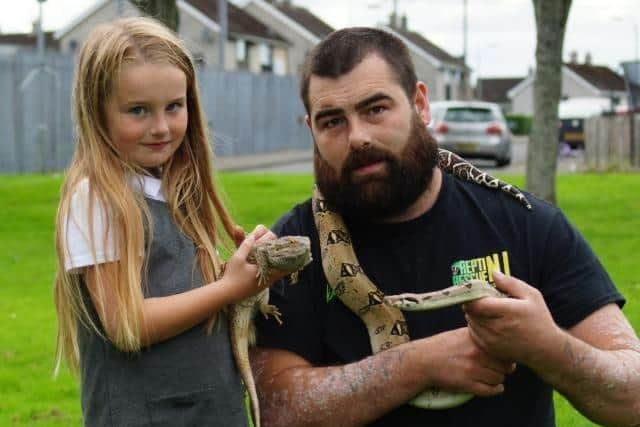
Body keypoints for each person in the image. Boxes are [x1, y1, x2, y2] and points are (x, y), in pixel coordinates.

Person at [251, 27, 640, 427]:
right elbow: (275, 410)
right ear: (311, 130)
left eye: (376, 109)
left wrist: (547, 346)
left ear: (420, 104)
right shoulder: (292, 251)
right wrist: (417, 364)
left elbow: (633, 395)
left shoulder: (526, 224)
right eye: (332, 121)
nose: (358, 138)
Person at [53, 17, 281, 426]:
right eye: (138, 110)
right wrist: (228, 287)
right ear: (96, 110)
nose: (161, 127)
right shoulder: (97, 198)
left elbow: (192, 304)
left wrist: (250, 269)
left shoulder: (174, 190)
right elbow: (128, 324)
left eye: (174, 107)